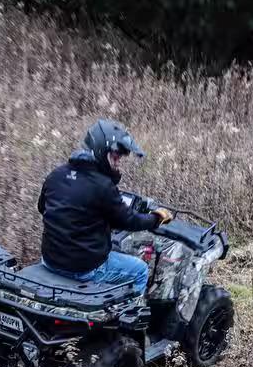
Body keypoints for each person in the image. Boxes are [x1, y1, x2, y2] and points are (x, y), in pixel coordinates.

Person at [37, 119, 172, 295]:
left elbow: (42, 208)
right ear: (101, 151)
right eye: (115, 158)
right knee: (140, 270)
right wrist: (156, 218)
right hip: (83, 269)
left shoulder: (56, 175)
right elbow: (129, 221)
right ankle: (130, 311)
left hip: (49, 261)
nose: (117, 163)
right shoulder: (103, 186)